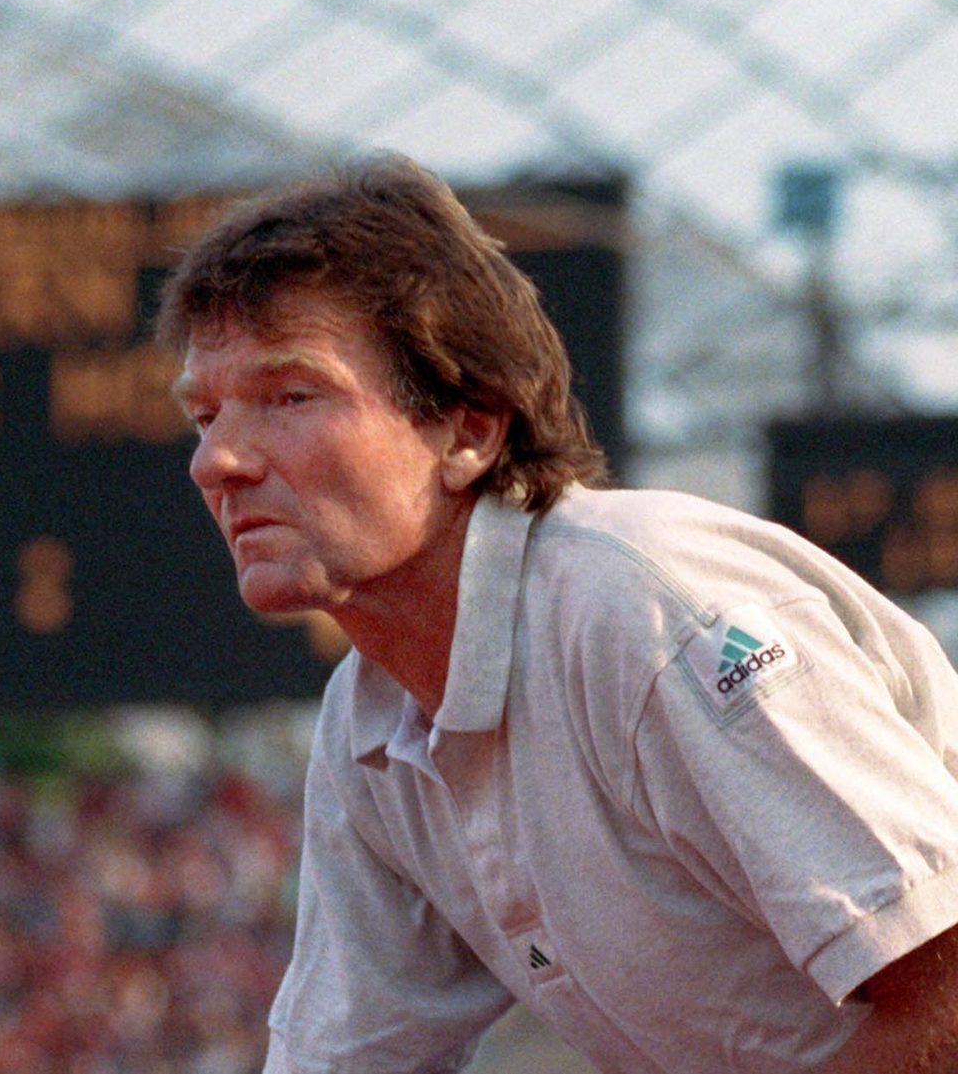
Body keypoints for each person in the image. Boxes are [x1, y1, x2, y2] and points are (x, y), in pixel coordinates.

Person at [156, 153, 958, 1072]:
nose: (216, 461)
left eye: (290, 396)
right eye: (205, 417)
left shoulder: (649, 612)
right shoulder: (367, 727)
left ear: (468, 430)